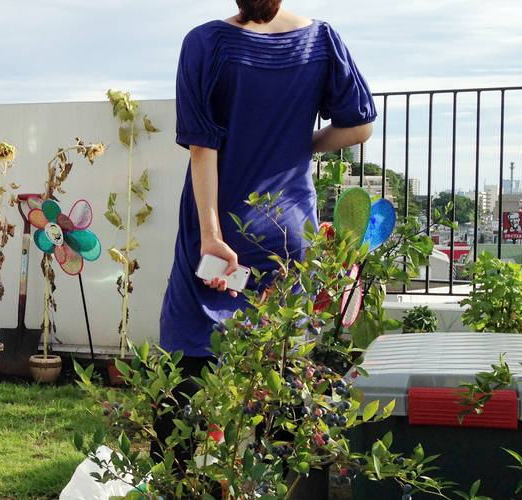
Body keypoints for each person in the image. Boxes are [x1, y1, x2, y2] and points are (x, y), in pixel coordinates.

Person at [155, 0, 377, 476]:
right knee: (283, 363)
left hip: (221, 232)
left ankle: (175, 483)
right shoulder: (321, 41)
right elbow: (359, 126)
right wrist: (303, 145)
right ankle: (283, 483)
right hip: (289, 229)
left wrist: (211, 235)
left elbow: (202, 148)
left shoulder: (206, 43)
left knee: (188, 360)